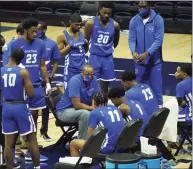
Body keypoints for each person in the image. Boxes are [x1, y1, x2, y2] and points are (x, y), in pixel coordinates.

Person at [10, 17, 49, 161]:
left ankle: (29, 142)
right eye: (33, 31)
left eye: (37, 31)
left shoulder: (40, 43)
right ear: (25, 30)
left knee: (34, 115)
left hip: (36, 85)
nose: (36, 34)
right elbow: (10, 66)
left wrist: (48, 82)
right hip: (20, 86)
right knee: (19, 115)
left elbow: (43, 65)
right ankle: (19, 144)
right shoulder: (15, 44)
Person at [1, 49, 40, 169]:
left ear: (10, 56)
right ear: (21, 60)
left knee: (8, 144)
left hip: (6, 107)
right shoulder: (22, 72)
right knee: (32, 139)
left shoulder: (1, 71)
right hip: (20, 106)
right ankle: (37, 167)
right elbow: (31, 92)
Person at [128, 1, 164, 107]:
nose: (141, 9)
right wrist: (133, 51)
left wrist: (147, 53)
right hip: (139, 61)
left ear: (149, 7)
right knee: (140, 88)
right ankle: (143, 109)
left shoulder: (158, 19)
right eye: (139, 7)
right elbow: (131, 39)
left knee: (156, 88)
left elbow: (159, 40)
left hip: (155, 61)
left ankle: (159, 109)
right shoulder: (134, 20)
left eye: (143, 7)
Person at [70, 92, 125, 156]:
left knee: (73, 144)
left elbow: (90, 138)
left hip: (107, 148)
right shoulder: (115, 108)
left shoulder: (94, 113)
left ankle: (79, 165)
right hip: (120, 145)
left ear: (94, 102)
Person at [84, 2, 120, 94]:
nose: (107, 15)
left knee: (105, 85)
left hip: (107, 58)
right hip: (94, 57)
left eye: (109, 13)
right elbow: (86, 39)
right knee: (91, 82)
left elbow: (115, 42)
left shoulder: (115, 25)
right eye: (104, 13)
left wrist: (106, 50)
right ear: (99, 11)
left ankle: (103, 104)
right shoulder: (91, 23)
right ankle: (91, 103)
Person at [56, 64, 100, 139]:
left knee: (102, 110)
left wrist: (94, 107)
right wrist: (92, 108)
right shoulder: (75, 81)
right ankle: (82, 143)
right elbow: (77, 105)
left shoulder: (94, 79)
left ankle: (96, 139)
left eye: (92, 74)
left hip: (83, 109)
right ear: (82, 72)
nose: (90, 76)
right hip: (65, 111)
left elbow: (95, 96)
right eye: (87, 74)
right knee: (85, 114)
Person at [37, 21, 60, 141]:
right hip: (32, 80)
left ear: (45, 30)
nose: (37, 31)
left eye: (39, 29)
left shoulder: (52, 44)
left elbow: (56, 61)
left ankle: (44, 131)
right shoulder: (31, 43)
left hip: (45, 80)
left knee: (46, 107)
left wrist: (51, 75)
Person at [56, 13, 88, 88]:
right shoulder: (62, 35)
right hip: (71, 69)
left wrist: (86, 44)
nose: (79, 27)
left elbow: (85, 51)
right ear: (70, 23)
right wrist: (69, 46)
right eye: (76, 25)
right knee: (69, 93)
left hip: (83, 68)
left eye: (80, 24)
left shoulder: (82, 32)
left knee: (83, 92)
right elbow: (59, 54)